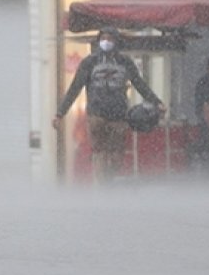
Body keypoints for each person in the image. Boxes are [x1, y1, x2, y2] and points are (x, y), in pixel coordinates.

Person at [53, 27, 165, 182]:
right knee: (100, 151)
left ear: (116, 42)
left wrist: (156, 102)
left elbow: (140, 85)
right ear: (99, 41)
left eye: (110, 39)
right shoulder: (90, 62)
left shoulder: (124, 63)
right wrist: (60, 113)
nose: (106, 42)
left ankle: (108, 180)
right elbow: (74, 89)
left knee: (116, 153)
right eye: (103, 38)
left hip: (118, 116)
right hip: (97, 115)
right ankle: (102, 184)